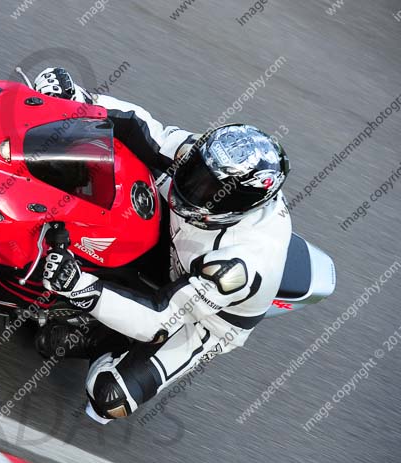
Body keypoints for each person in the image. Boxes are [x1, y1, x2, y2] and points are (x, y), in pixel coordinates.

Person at [33, 68, 293, 424]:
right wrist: (79, 100)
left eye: (205, 189)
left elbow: (160, 317)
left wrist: (79, 287)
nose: (190, 184)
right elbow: (146, 132)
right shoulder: (213, 158)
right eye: (194, 173)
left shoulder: (238, 265)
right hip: (175, 241)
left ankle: (102, 338)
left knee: (109, 397)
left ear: (234, 207)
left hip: (200, 315)